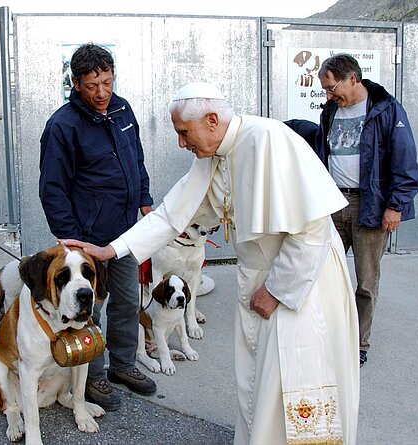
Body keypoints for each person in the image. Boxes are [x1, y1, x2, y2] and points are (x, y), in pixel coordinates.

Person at [63, 81, 360, 444]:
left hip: (302, 281)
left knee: (298, 376)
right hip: (266, 277)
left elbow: (311, 231)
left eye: (183, 132)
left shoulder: (269, 140)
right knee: (263, 378)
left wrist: (277, 290)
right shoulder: (215, 155)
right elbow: (171, 216)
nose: (181, 143)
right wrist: (110, 251)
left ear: (213, 120)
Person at [39, 43, 156, 411]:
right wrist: (70, 239)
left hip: (125, 233)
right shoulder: (62, 126)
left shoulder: (122, 109)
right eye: (92, 85)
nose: (102, 92)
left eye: (107, 82)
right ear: (75, 83)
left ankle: (123, 365)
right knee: (91, 306)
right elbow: (52, 187)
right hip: (86, 238)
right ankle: (93, 376)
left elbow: (136, 158)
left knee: (126, 300)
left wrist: (145, 200)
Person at [315, 54, 418, 367]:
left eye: (331, 87)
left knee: (365, 281)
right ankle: (326, 334)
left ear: (352, 78)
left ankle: (358, 343)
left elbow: (406, 161)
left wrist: (396, 206)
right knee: (322, 272)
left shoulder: (386, 109)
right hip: (333, 201)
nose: (328, 95)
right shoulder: (331, 111)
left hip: (372, 205)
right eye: (324, 90)